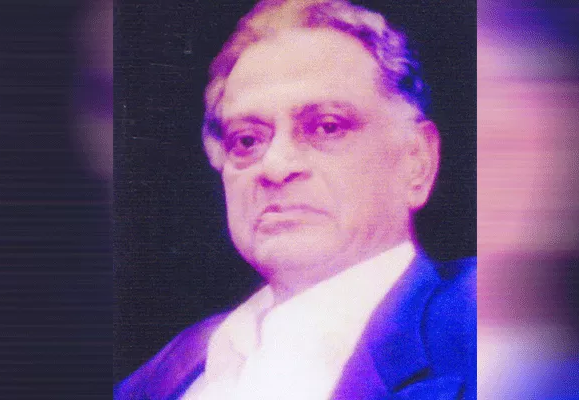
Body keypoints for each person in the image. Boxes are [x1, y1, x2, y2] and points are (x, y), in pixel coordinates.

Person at [115, 0, 475, 399]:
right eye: (247, 140)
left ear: (416, 162)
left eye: (327, 126)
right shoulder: (155, 378)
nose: (275, 167)